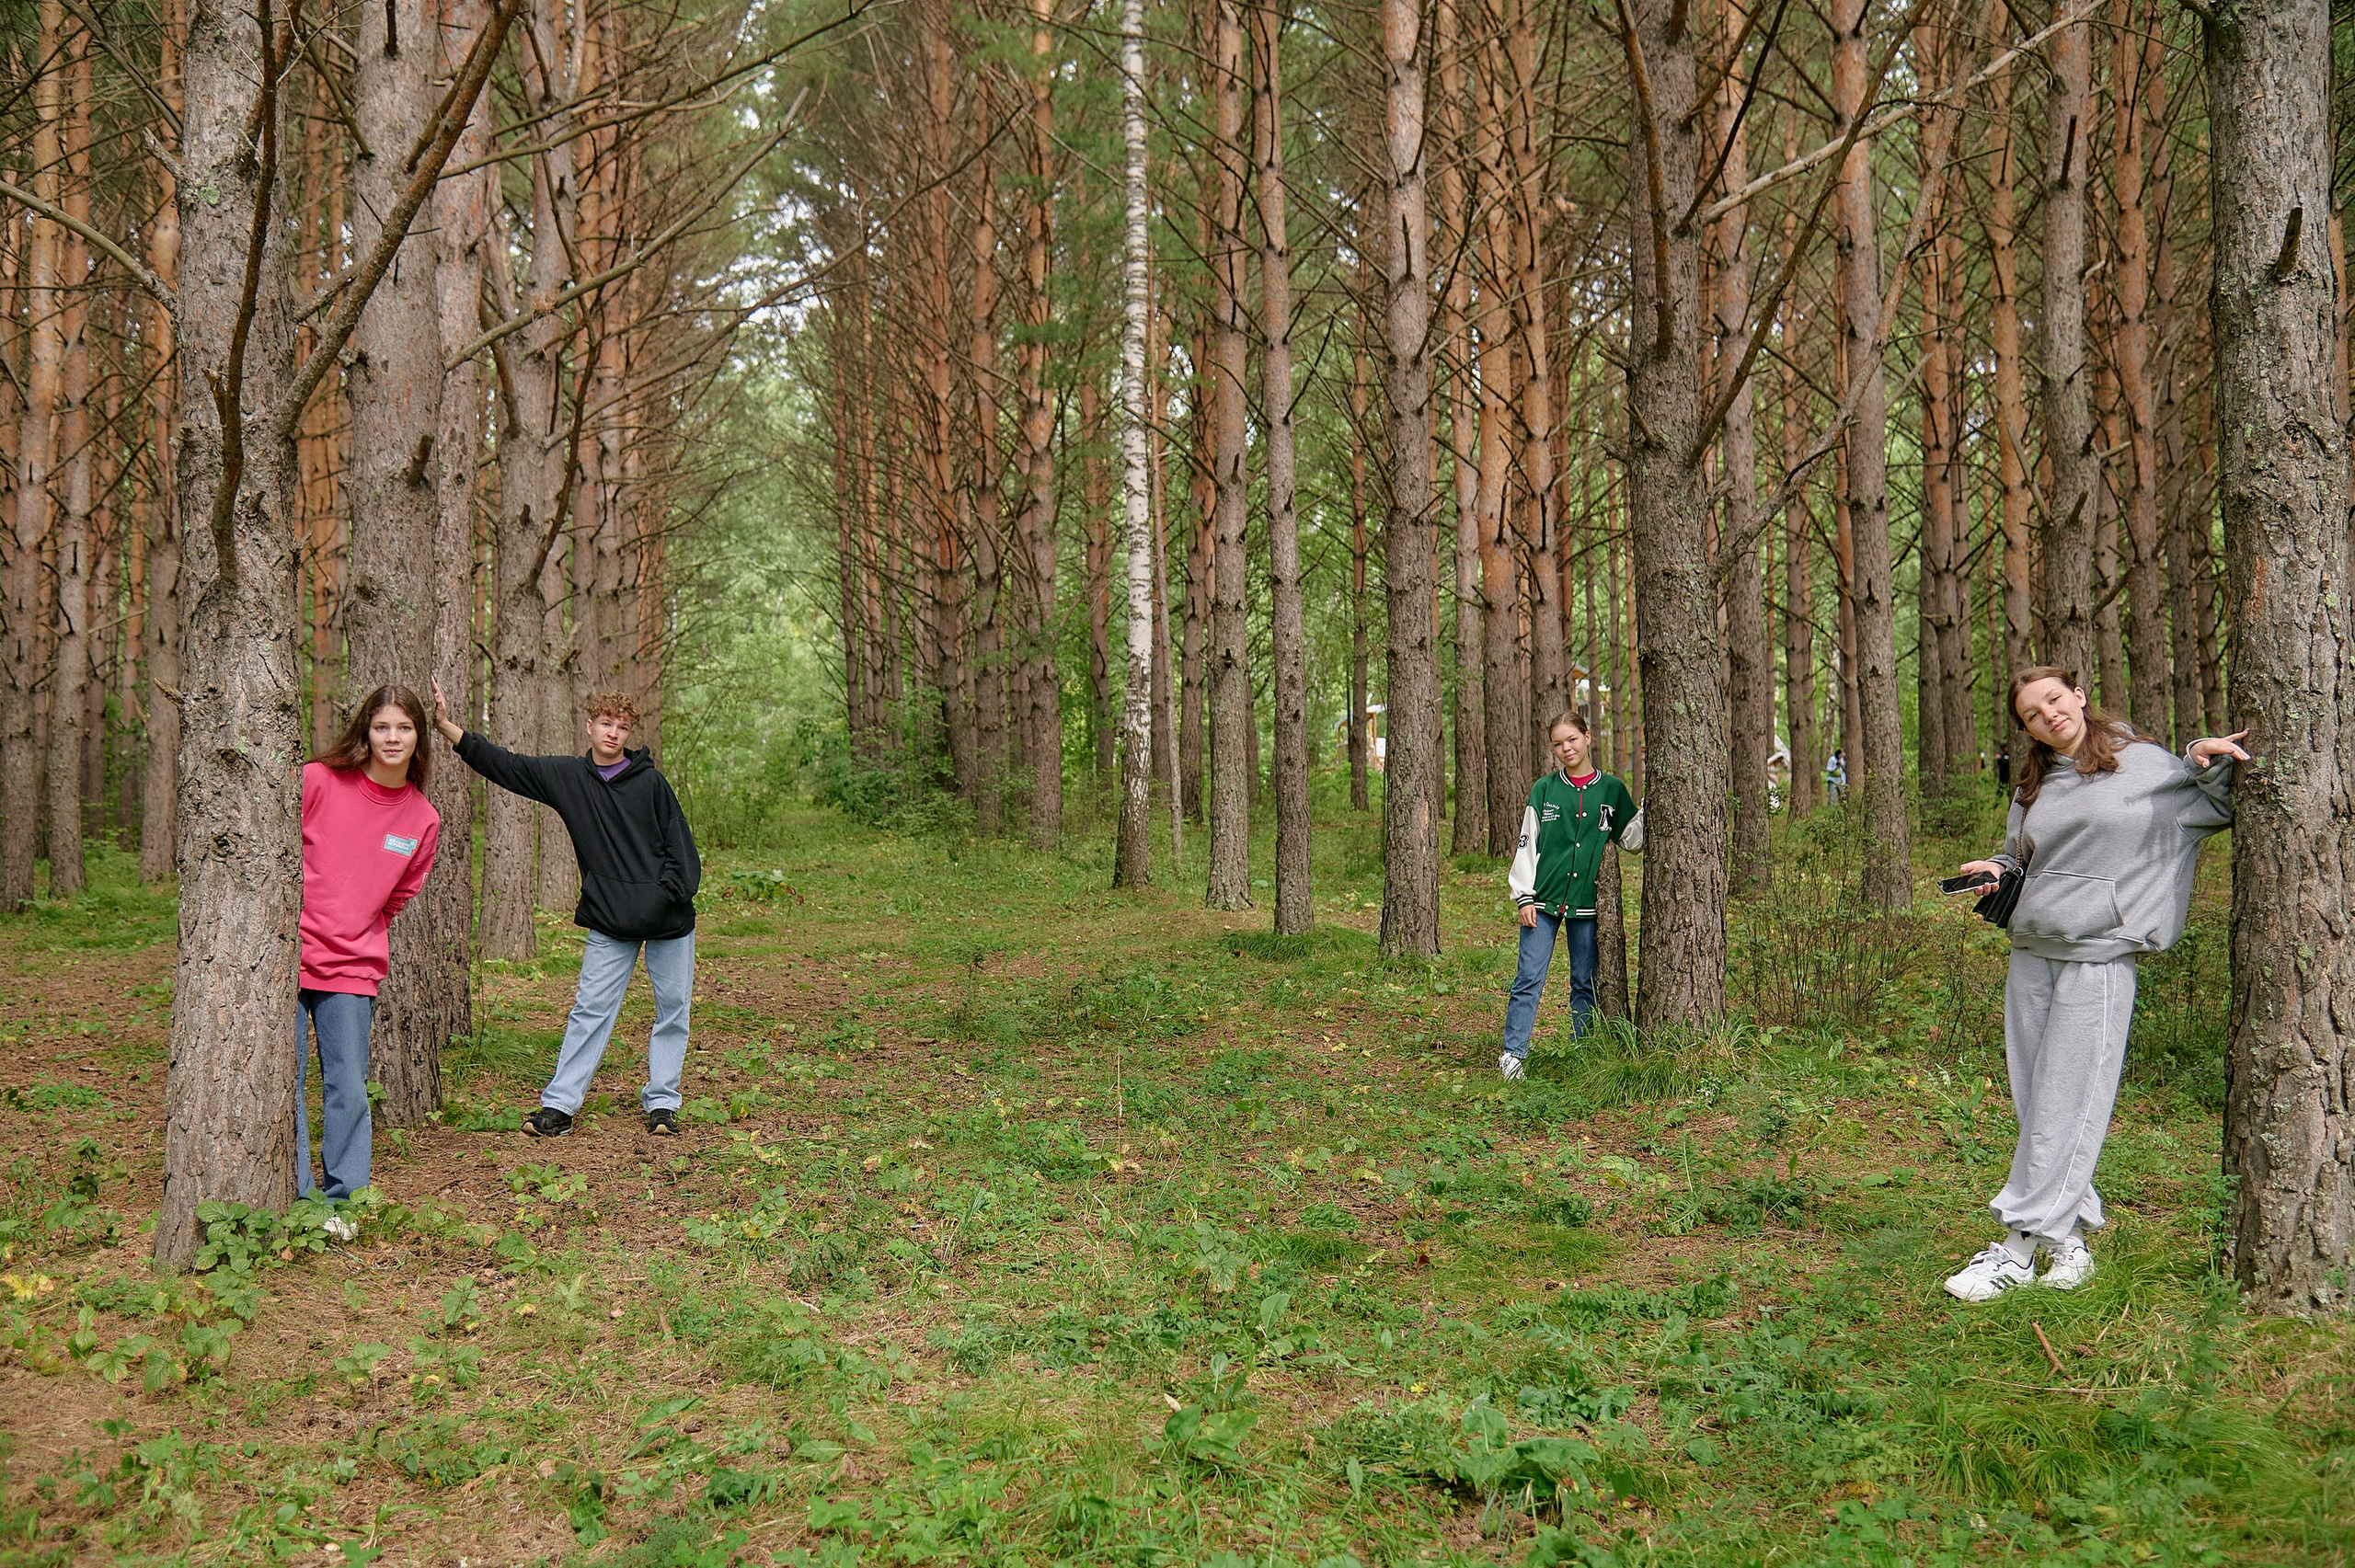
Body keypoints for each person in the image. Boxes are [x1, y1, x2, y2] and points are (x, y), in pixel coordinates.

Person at [1941, 667, 2246, 1302]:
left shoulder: (2144, 765)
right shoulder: (2031, 784)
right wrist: (1993, 869)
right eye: (2032, 712)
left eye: (2054, 698)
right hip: (2033, 950)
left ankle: (2016, 1248)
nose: (2048, 714)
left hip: (2100, 954)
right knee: (2039, 1102)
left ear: (2078, 695)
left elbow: (2214, 804)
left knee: (2070, 1098)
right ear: (2026, 727)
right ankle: (2070, 1242)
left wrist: (2198, 757)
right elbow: (2018, 856)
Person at [432, 683, 701, 1138]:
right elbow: (508, 766)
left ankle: (662, 1104)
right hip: (610, 919)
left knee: (673, 1010)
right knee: (590, 1008)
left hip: (668, 919)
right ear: (589, 726)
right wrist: (445, 728)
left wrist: (665, 894)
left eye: (622, 727)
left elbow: (682, 849)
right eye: (605, 724)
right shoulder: (568, 778)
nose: (613, 733)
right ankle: (559, 1106)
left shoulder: (652, 783)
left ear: (629, 732)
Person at [299, 684, 442, 1223]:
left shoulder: (421, 820)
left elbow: (401, 895)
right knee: (280, 1083)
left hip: (353, 968)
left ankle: (343, 1205)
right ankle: (295, 1196)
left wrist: (358, 925)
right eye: (382, 726)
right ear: (365, 730)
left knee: (347, 1088)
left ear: (418, 739)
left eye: (404, 728)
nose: (392, 737)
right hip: (284, 961)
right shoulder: (318, 780)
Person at [1499, 711, 1644, 1080]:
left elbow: (1632, 840)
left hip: (1587, 904)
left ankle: (1582, 1051)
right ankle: (1513, 1056)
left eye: (1572, 740)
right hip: (1542, 901)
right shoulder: (1544, 789)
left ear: (1587, 737)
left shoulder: (1611, 789)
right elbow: (1527, 843)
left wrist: (1655, 806)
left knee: (1585, 980)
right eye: (1558, 744)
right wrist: (1524, 895)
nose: (1566, 748)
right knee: (1529, 977)